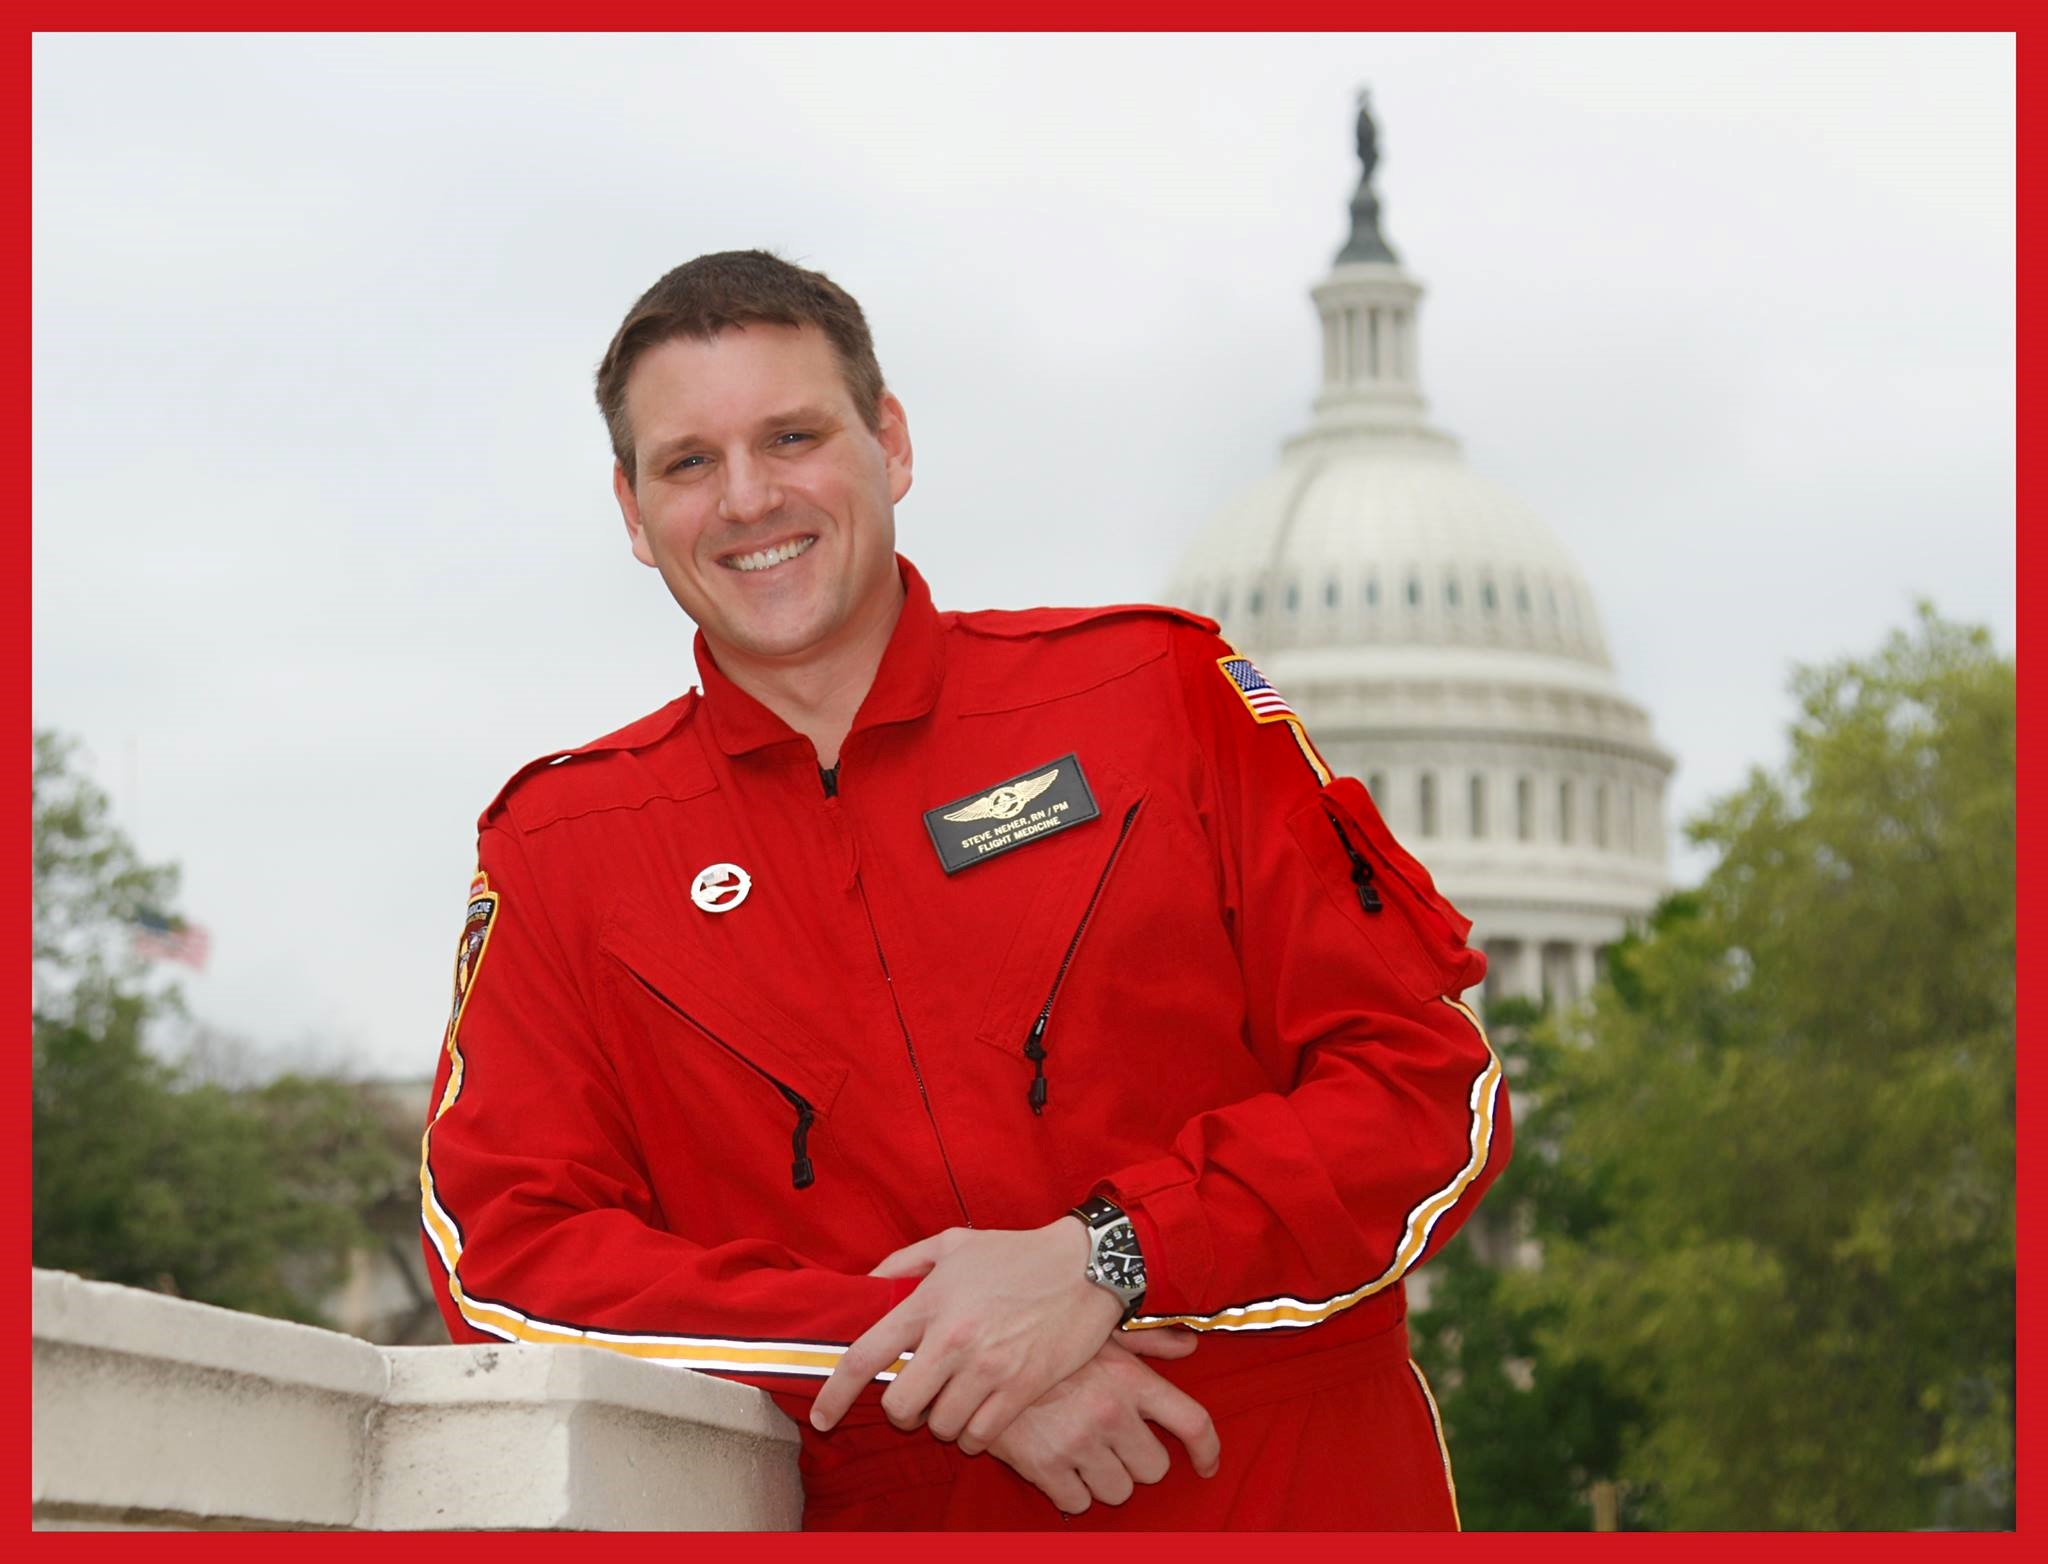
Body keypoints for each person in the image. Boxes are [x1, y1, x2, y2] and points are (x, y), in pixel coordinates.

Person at [420, 250, 1511, 1530]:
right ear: (631, 506)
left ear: (889, 443)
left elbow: (1423, 1090)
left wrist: (1109, 1255)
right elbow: (510, 1255)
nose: (748, 498)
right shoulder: (566, 846)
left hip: (1280, 1487)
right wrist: (919, 1350)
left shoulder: (1153, 698)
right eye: (688, 462)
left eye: (791, 436)